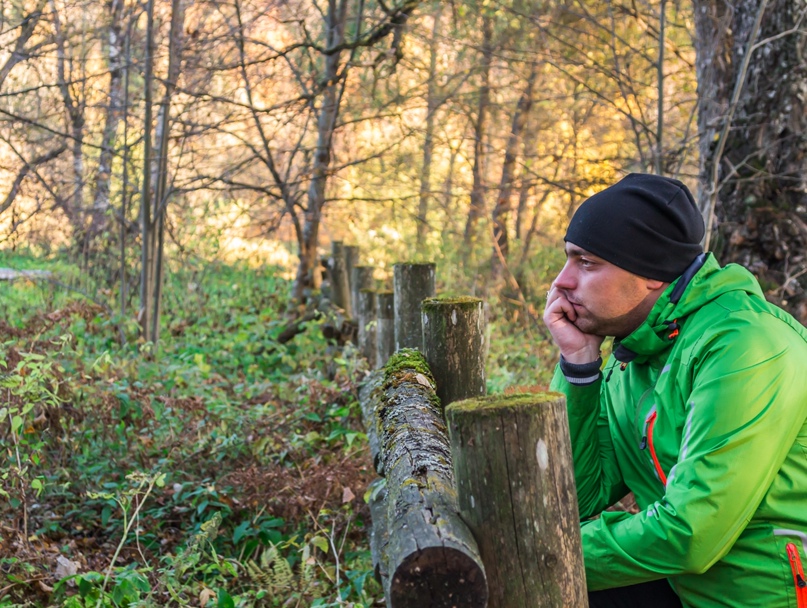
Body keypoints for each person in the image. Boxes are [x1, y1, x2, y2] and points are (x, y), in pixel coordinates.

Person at [542, 173, 807, 608]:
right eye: (568, 260)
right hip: (685, 589)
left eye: (586, 263)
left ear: (649, 272)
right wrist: (578, 367)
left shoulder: (747, 347)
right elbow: (577, 499)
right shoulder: (634, 357)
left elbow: (692, 533)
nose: (561, 282)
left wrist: (539, 554)